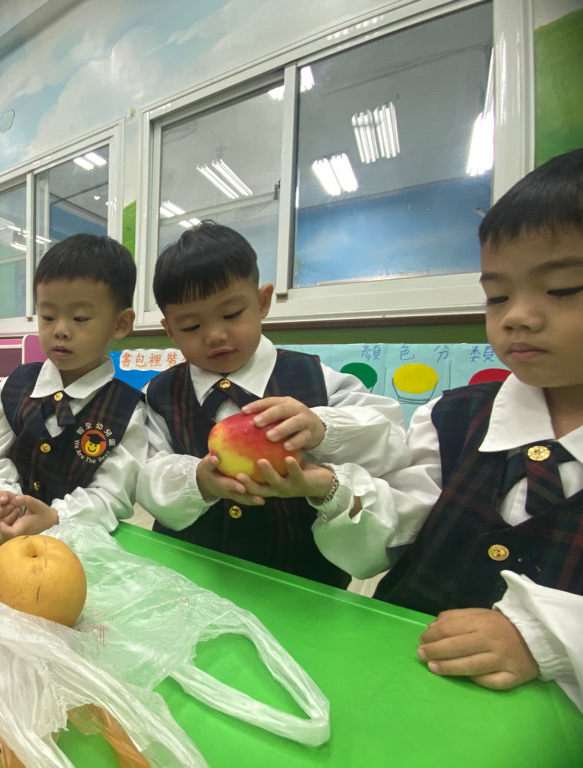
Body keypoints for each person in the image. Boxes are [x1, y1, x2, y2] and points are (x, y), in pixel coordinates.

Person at [313, 150, 583, 709]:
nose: (516, 316)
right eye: (497, 296)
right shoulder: (452, 418)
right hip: (396, 680)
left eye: (563, 288)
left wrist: (547, 637)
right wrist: (332, 490)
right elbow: (396, 532)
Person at [137, 221, 408, 588]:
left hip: (301, 584)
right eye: (191, 326)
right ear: (170, 331)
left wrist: (321, 429)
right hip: (189, 578)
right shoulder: (159, 393)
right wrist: (198, 480)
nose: (215, 335)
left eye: (231, 314)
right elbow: (145, 469)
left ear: (263, 302)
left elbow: (388, 438)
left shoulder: (317, 378)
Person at [0, 234, 145, 546]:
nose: (60, 330)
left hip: (83, 549)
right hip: (10, 542)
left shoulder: (128, 409)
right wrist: (6, 502)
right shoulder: (12, 387)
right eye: (48, 316)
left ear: (120, 323)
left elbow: (113, 495)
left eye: (80, 318)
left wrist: (56, 517)